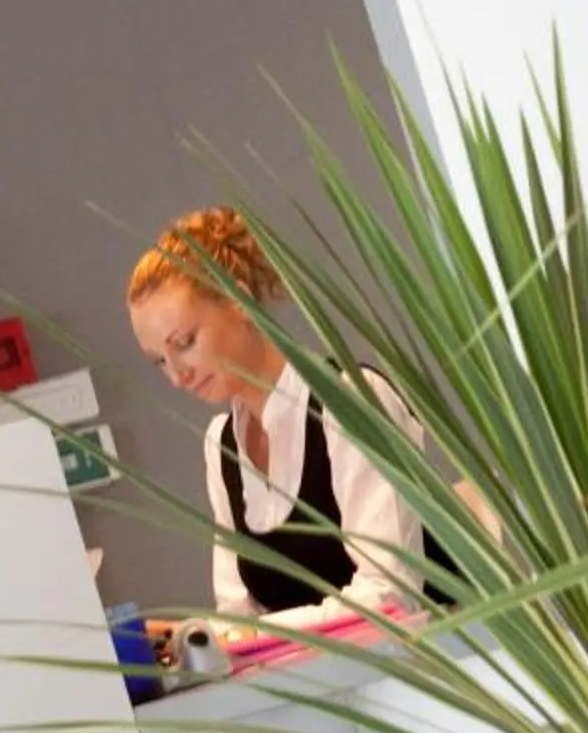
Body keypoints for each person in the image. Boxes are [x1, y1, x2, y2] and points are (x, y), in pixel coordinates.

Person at [127, 205, 429, 631]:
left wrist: (251, 634)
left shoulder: (350, 401)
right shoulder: (222, 445)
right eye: (160, 360)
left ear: (238, 299)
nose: (178, 375)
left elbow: (389, 597)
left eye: (185, 342)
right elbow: (239, 617)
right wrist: (193, 635)